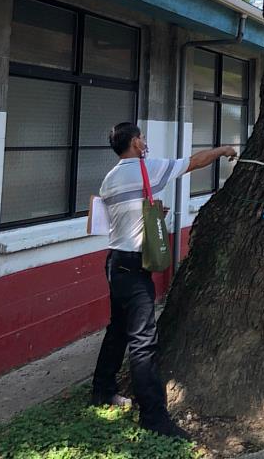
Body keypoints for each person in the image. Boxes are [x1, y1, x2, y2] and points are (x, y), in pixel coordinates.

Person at [91, 122, 237, 438]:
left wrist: (153, 212)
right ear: (133, 143)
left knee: (118, 329)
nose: (145, 142)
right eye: (141, 137)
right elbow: (194, 162)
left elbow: (125, 215)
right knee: (143, 342)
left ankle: (102, 389)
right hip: (133, 268)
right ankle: (154, 417)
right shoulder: (148, 168)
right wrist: (224, 149)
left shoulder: (110, 179)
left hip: (115, 263)